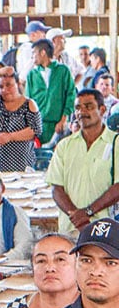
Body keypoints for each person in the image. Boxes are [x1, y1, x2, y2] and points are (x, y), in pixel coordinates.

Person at [44, 89, 118, 232]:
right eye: (78, 107)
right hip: (70, 227)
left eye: (89, 106)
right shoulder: (65, 145)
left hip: (104, 229)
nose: (82, 112)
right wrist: (76, 217)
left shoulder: (116, 143)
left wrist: (88, 212)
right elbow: (56, 187)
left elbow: (117, 188)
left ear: (102, 110)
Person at [25, 38, 77, 146]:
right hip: (37, 127)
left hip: (58, 124)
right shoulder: (32, 75)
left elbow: (71, 96)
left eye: (34, 53)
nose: (32, 57)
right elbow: (27, 102)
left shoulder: (63, 70)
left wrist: (63, 120)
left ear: (43, 52)